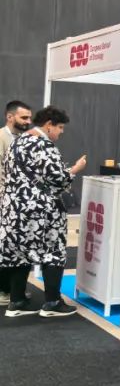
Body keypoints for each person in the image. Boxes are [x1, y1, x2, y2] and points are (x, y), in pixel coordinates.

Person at [1, 106, 87, 318]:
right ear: (49, 125)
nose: (60, 133)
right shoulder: (44, 145)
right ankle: (52, 303)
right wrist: (75, 169)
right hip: (41, 210)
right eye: (60, 128)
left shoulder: (17, 142)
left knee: (19, 254)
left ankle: (16, 302)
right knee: (53, 252)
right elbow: (58, 179)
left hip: (13, 208)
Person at [0, 100, 33, 306]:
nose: (28, 121)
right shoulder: (1, 138)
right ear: (9, 117)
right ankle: (3, 291)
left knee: (15, 249)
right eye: (24, 117)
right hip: (5, 203)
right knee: (4, 249)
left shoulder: (24, 139)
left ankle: (11, 290)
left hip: (19, 204)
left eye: (29, 117)